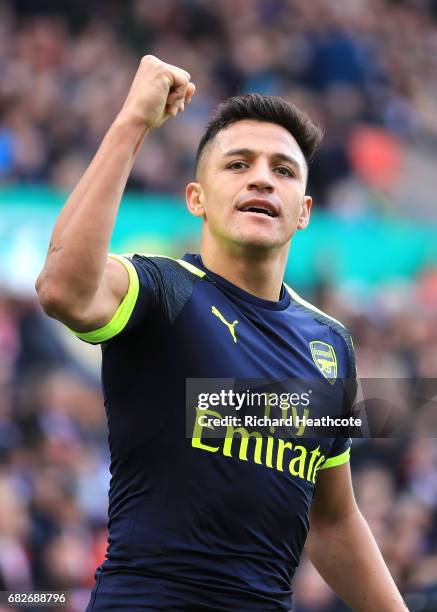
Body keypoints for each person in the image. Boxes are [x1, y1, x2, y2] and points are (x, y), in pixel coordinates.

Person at [36, 56, 407, 611]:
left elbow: (332, 520)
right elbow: (62, 289)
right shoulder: (161, 289)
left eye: (283, 170)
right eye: (238, 164)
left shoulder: (331, 344)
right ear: (196, 198)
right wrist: (132, 123)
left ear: (303, 211)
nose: (262, 177)